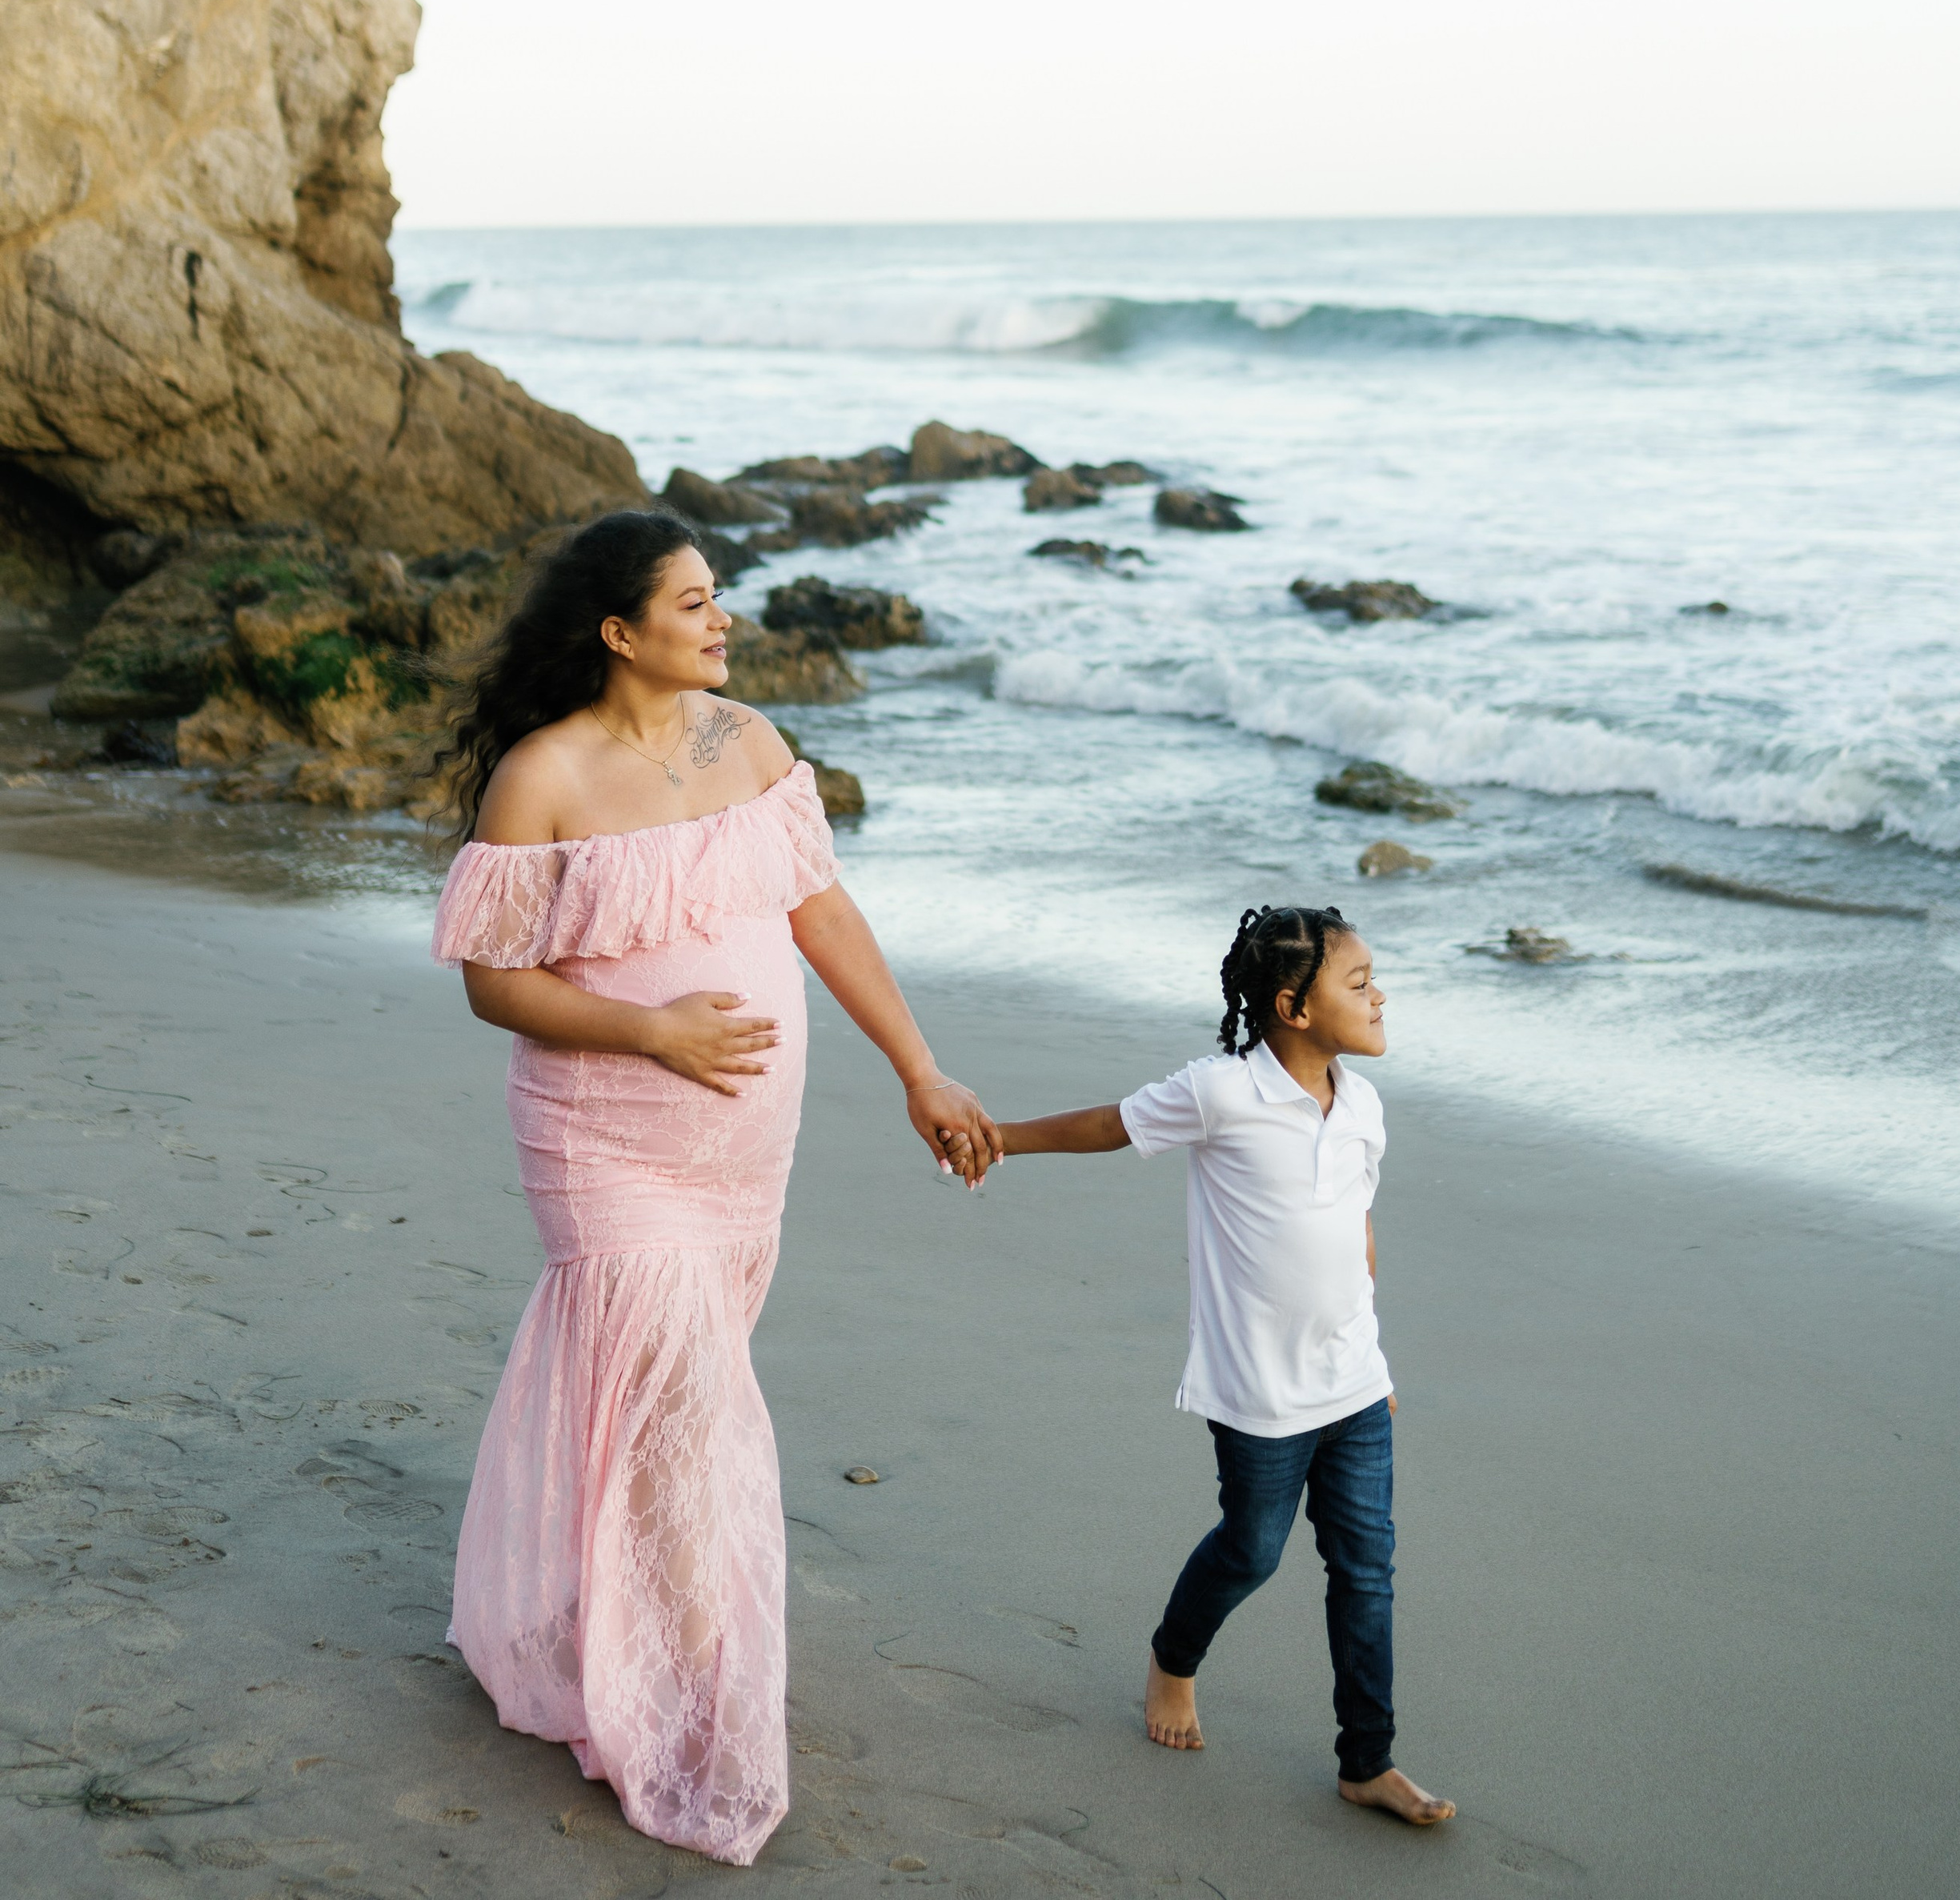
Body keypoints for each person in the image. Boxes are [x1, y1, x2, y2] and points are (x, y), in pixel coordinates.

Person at [426, 509, 1000, 1865]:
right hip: (605, 1136)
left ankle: (603, 1617)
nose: (722, 619)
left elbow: (824, 912)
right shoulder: (544, 775)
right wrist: (654, 1031)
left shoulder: (747, 744)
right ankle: (689, 1705)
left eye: (718, 596)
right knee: (693, 1408)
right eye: (693, 602)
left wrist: (920, 1068)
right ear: (620, 632)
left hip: (742, 1149)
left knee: (668, 1393)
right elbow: (492, 982)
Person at [993, 902, 1453, 1828]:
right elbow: (1108, 1125)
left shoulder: (1361, 1106)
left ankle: (1367, 1759)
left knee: (1368, 1569)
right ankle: (1174, 1658)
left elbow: (1354, 1237)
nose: (1379, 995)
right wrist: (999, 1138)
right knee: (1250, 1548)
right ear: (1292, 1006)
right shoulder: (1222, 1091)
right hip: (1257, 1393)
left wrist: (1377, 1362)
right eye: (1357, 984)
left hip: (1354, 1383)